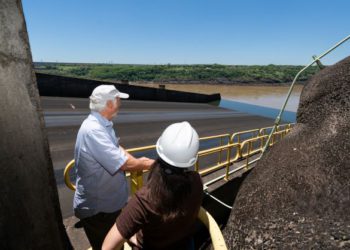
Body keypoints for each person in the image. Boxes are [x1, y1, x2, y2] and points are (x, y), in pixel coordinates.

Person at [73, 85, 154, 250]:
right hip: (99, 211)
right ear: (109, 104)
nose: (120, 103)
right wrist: (150, 164)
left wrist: (137, 160)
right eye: (118, 99)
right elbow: (124, 164)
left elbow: (118, 150)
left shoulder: (103, 124)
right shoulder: (94, 130)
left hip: (108, 207)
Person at [102, 121, 203, 250]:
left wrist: (134, 237)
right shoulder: (197, 181)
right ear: (192, 158)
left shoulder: (145, 199)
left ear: (160, 151)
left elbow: (107, 247)